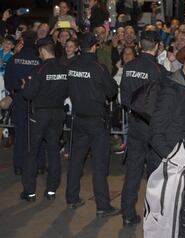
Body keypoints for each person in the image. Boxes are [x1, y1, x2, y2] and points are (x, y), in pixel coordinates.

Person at [65, 33, 119, 217]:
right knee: (99, 164)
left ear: (80, 47)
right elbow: (112, 90)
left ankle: (71, 198)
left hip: (78, 119)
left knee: (76, 161)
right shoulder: (98, 68)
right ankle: (103, 205)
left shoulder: (71, 66)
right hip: (96, 120)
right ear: (94, 47)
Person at [120, 30, 167, 227]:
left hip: (135, 124)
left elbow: (123, 97)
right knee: (155, 173)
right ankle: (153, 215)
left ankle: (128, 213)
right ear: (157, 47)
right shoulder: (158, 71)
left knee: (133, 169)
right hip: (153, 126)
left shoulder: (129, 66)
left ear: (140, 45)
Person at [20, 37, 68, 201]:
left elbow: (28, 94)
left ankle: (30, 192)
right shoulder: (64, 68)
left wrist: (24, 85)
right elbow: (67, 91)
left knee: (32, 153)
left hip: (40, 115)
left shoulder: (40, 70)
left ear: (42, 51)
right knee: (53, 151)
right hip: (58, 113)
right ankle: (51, 191)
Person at [4, 31, 45, 175]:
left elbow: (8, 81)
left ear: (22, 41)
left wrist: (14, 92)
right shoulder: (39, 61)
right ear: (34, 42)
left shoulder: (13, 59)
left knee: (20, 134)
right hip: (36, 101)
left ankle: (19, 165)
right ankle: (40, 165)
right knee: (37, 134)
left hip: (19, 99)